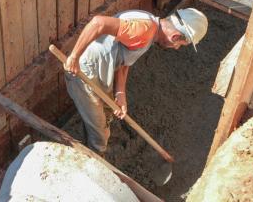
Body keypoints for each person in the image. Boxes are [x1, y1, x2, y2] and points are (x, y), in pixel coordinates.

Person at [64, 8, 208, 155]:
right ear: (175, 36)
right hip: (84, 72)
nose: (176, 48)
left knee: (107, 112)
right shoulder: (144, 29)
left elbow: (125, 60)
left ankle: (94, 135)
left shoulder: (150, 24)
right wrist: (74, 57)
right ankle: (95, 158)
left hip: (100, 70)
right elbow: (98, 23)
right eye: (180, 45)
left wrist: (120, 93)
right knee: (99, 133)